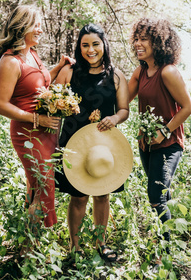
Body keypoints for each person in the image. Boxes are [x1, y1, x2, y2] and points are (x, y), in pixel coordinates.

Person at [0, 4, 72, 233]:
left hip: (47, 132)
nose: (40, 30)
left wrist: (59, 66)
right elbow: (0, 105)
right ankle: (28, 250)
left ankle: (30, 245)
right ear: (22, 26)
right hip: (27, 133)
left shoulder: (33, 55)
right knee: (45, 187)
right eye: (35, 25)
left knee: (37, 187)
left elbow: (40, 83)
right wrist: (37, 120)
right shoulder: (10, 61)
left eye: (40, 25)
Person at [54, 23, 129, 263]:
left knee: (102, 194)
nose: (90, 49)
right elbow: (52, 100)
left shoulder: (116, 75)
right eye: (84, 45)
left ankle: (101, 243)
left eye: (95, 44)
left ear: (104, 45)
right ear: (79, 47)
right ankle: (74, 247)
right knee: (77, 197)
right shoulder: (70, 72)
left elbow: (124, 109)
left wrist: (115, 118)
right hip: (74, 140)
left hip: (103, 143)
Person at [127, 17, 191, 270]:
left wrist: (165, 131)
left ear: (159, 41)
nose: (138, 43)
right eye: (137, 38)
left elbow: (188, 108)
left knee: (155, 196)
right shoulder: (141, 71)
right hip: (146, 145)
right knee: (160, 195)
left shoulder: (168, 72)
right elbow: (123, 99)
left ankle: (165, 255)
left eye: (144, 39)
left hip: (169, 144)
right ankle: (168, 236)